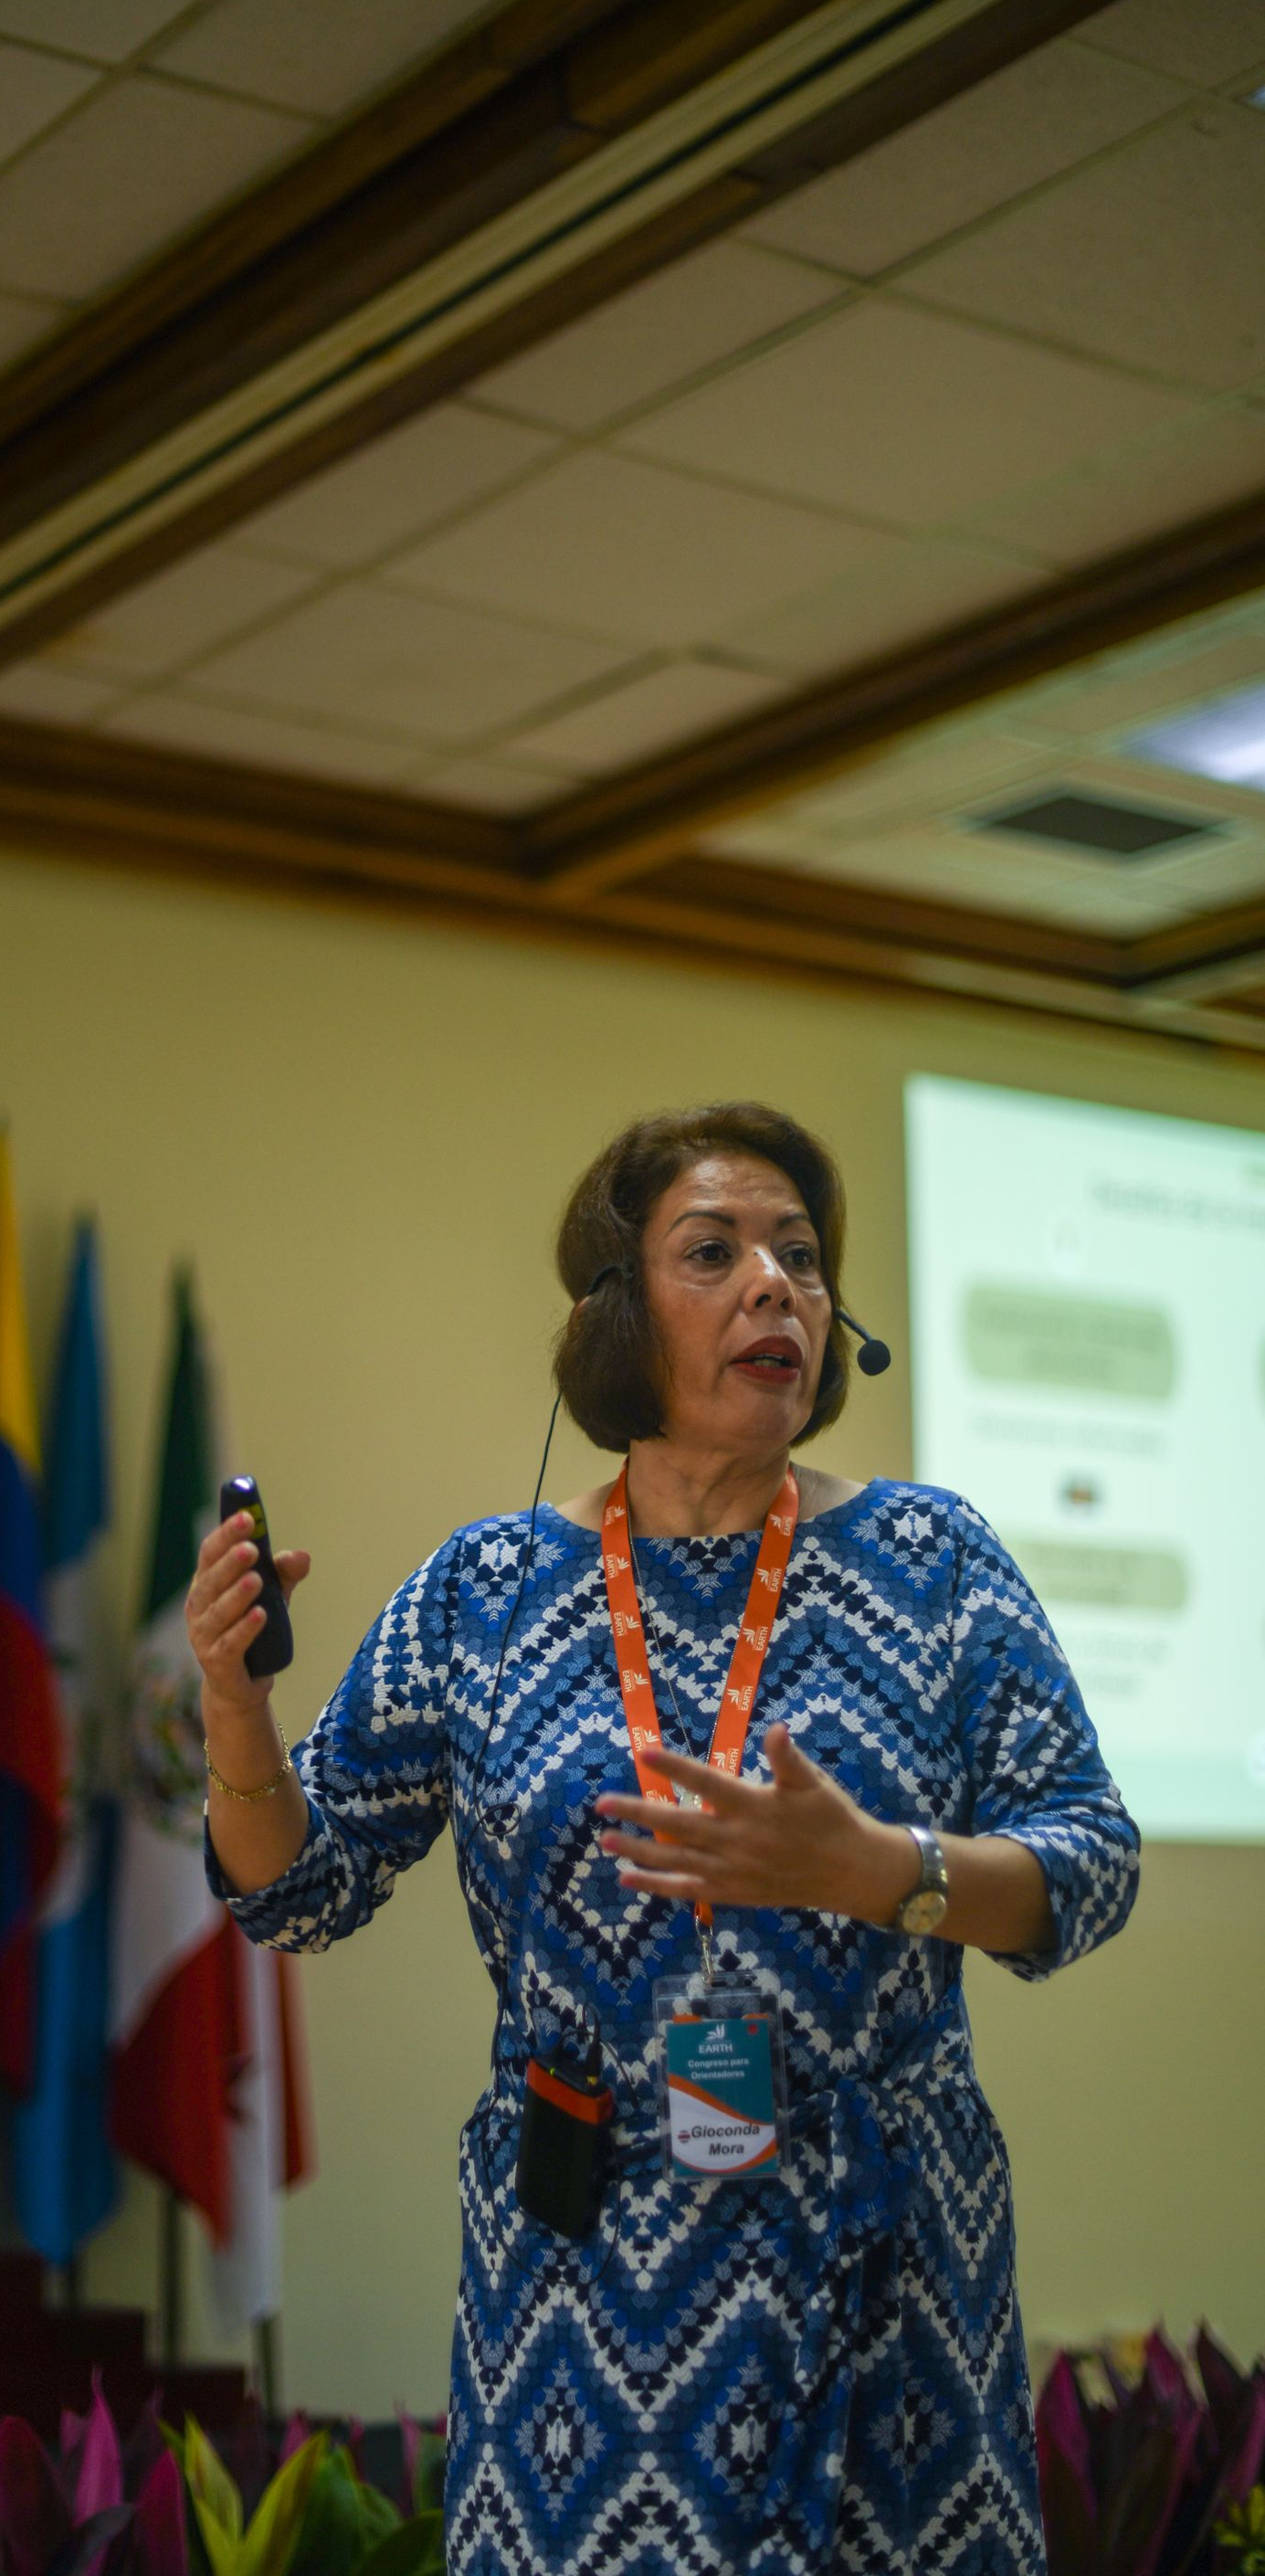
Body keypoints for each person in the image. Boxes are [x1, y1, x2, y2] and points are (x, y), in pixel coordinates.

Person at [191, 1103, 1139, 2576]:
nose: (780, 1287)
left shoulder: (934, 1561)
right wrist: (237, 1712)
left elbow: (1091, 1862)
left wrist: (889, 1873)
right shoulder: (488, 1588)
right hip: (582, 2293)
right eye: (719, 1252)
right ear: (621, 1319)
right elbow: (297, 1896)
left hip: (885, 2275)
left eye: (805, 1259)